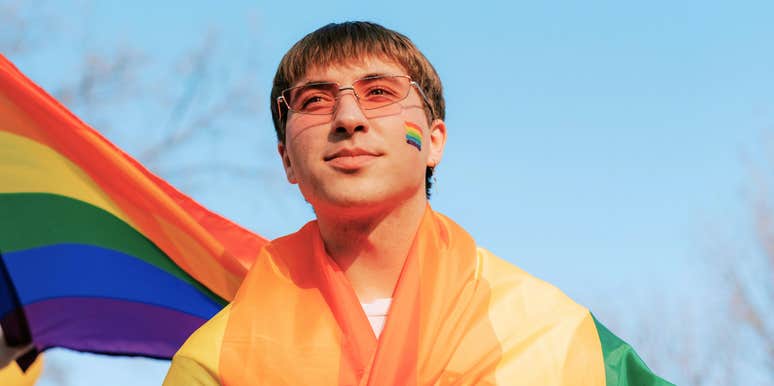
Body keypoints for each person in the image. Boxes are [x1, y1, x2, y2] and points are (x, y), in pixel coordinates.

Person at [163, 21, 671, 385]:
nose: (347, 117)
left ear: (433, 140)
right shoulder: (216, 363)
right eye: (314, 100)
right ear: (287, 160)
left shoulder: (551, 335)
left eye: (380, 92)